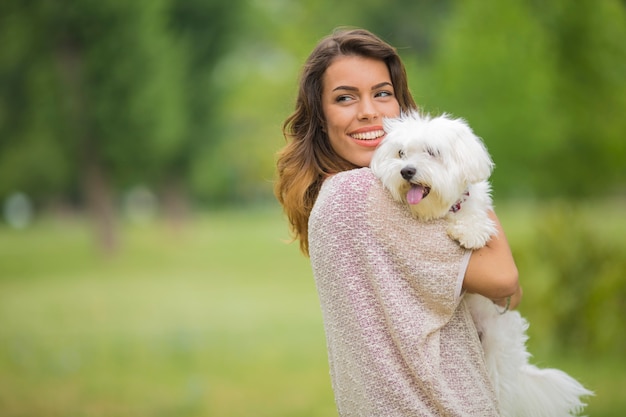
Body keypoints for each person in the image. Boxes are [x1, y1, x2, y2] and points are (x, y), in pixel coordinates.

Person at [274, 28, 522, 416]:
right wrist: (461, 182)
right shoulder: (364, 193)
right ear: (321, 118)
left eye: (382, 93)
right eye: (344, 98)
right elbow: (505, 281)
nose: (369, 111)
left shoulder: (331, 194)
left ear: (401, 104)